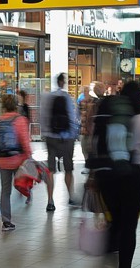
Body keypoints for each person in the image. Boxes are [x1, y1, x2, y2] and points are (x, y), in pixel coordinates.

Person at [90, 81, 140, 268]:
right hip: (133, 176)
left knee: (116, 220)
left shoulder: (110, 113)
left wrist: (93, 174)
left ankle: (111, 245)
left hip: (108, 175)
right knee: (130, 227)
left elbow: (94, 141)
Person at [0, 94, 31, 231]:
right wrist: (29, 156)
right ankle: (27, 195)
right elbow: (24, 140)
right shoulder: (20, 120)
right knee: (23, 182)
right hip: (18, 159)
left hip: (3, 161)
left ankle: (6, 221)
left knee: (5, 191)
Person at [40, 73, 78, 212]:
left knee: (50, 170)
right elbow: (72, 117)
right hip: (66, 138)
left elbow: (43, 116)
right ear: (63, 82)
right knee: (68, 169)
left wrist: (45, 134)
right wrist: (73, 135)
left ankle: (50, 201)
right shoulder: (67, 97)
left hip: (51, 138)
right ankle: (71, 197)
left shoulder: (47, 97)